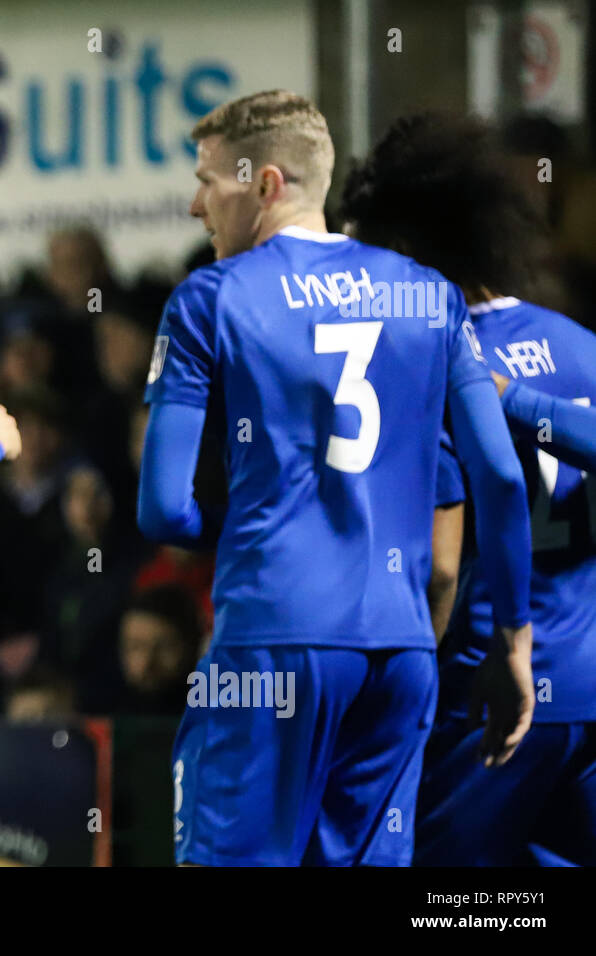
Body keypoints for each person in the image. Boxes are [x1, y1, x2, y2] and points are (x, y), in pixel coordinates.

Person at [137, 91, 534, 866]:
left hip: (271, 645)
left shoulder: (209, 300)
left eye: (207, 180)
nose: (194, 204)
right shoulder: (430, 297)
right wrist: (511, 642)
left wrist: (248, 528)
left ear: (266, 183)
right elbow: (499, 478)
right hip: (400, 654)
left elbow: (159, 510)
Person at [342, 112, 596, 866]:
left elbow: (437, 562)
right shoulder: (580, 343)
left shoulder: (423, 363)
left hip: (490, 697)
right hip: (588, 683)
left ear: (410, 249)